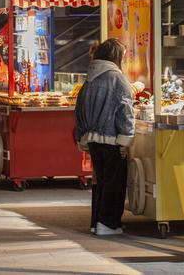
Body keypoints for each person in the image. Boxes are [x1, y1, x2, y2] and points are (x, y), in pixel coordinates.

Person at [75, 38, 135, 236]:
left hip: (93, 140)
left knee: (100, 181)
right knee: (114, 183)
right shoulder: (117, 78)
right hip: (112, 139)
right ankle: (108, 224)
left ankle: (97, 222)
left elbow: (79, 109)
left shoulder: (90, 78)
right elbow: (125, 110)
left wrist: (82, 135)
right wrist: (126, 137)